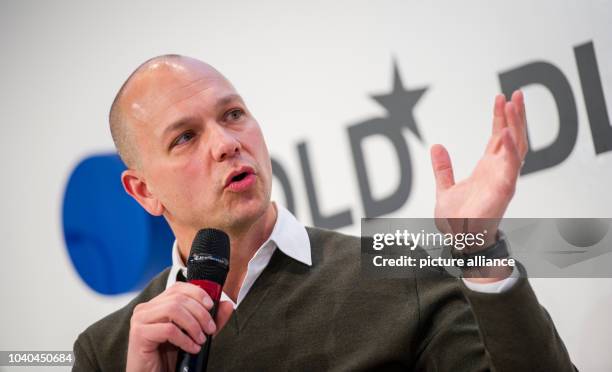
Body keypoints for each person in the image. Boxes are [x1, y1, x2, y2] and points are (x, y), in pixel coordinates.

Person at [72, 55, 575, 371]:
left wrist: (479, 249)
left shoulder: (400, 273)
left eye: (233, 115)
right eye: (185, 137)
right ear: (143, 192)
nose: (227, 144)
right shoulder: (109, 352)